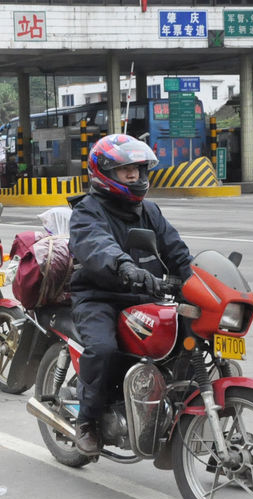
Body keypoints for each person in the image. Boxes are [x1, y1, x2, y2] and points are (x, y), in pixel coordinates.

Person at [67, 133, 193, 455]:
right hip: (99, 297)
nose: (135, 176)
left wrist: (197, 279)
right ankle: (87, 420)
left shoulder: (149, 211)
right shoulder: (87, 211)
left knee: (188, 336)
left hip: (143, 297)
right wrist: (123, 266)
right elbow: (96, 244)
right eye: (126, 170)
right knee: (103, 349)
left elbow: (176, 250)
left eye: (138, 169)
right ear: (105, 173)